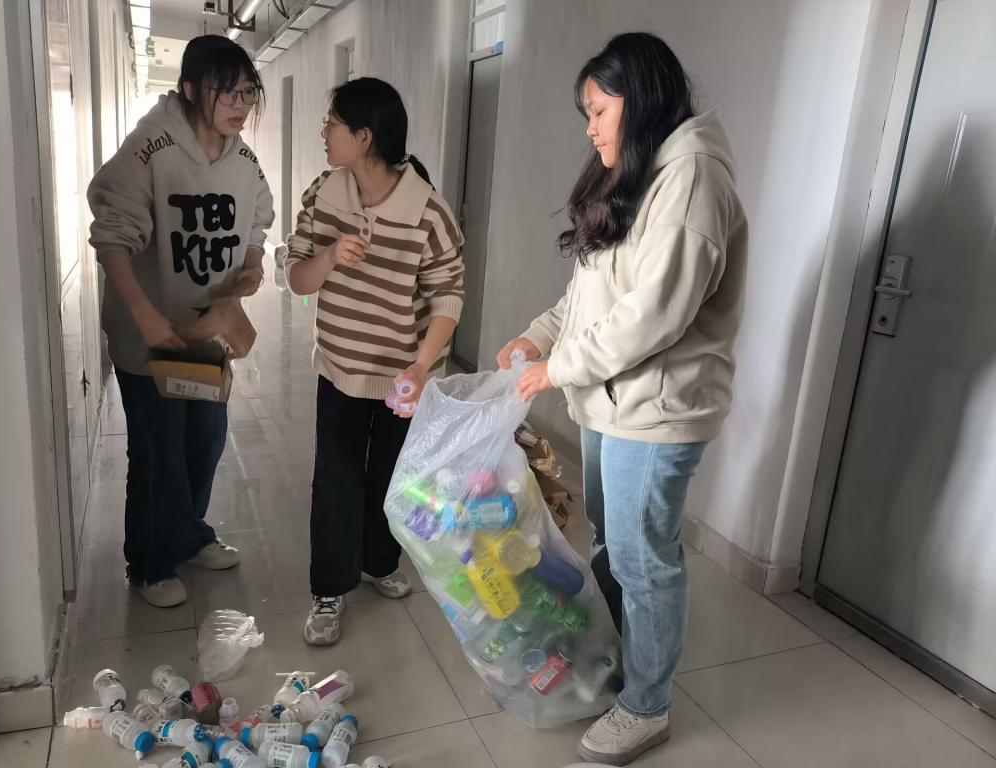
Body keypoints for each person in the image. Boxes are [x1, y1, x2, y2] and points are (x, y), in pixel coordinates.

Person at [497, 32, 747, 765]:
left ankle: (647, 705)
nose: (591, 128)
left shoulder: (692, 176)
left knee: (644, 561)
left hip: (657, 411)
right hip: (613, 403)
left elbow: (654, 313)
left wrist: (560, 366)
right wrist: (538, 337)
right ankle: (621, 667)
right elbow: (590, 295)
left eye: (599, 111)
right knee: (614, 545)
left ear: (639, 102)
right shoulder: (637, 175)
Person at [87, 35, 274, 608]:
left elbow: (257, 218)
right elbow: (111, 238)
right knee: (158, 452)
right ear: (190, 89)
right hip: (149, 337)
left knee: (204, 443)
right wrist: (144, 318)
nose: (240, 105)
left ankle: (187, 534)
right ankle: (150, 563)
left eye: (248, 92)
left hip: (203, 333)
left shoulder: (242, 159)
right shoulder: (151, 147)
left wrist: (252, 262)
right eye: (227, 92)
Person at [284, 77, 465, 646]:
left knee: (392, 477)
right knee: (335, 478)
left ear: (363, 137)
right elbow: (296, 278)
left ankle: (380, 562)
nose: (324, 133)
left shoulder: (428, 211)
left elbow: (448, 296)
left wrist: (421, 367)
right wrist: (330, 257)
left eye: (332, 124)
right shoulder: (324, 192)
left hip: (401, 376)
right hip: (340, 366)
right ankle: (329, 588)